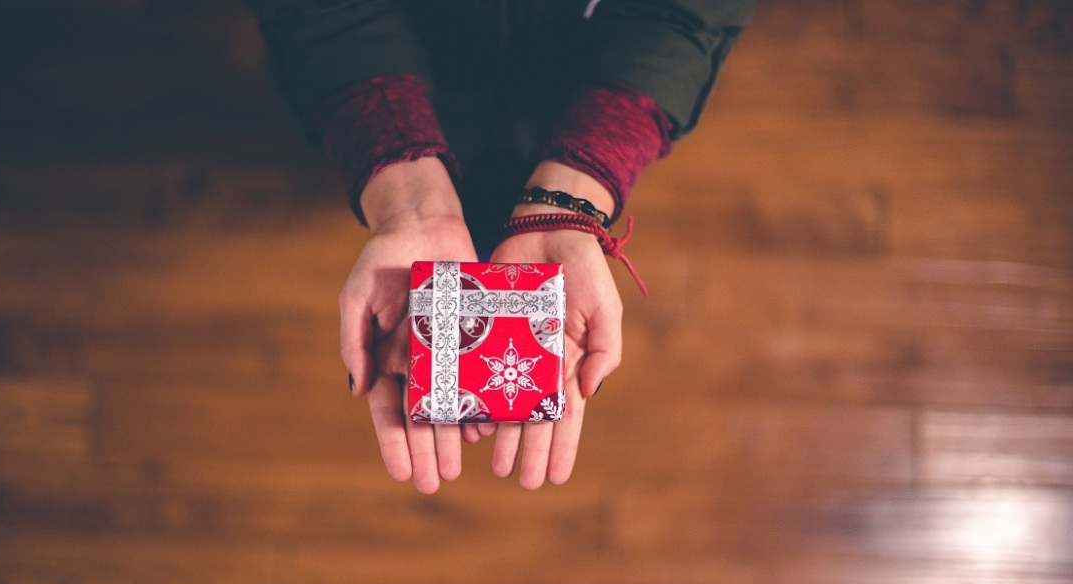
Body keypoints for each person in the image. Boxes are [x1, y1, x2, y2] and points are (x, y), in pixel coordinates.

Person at [243, 0, 754, 493]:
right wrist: (401, 184)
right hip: (385, 73)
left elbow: (688, 11)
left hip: (578, 78)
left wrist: (585, 174)